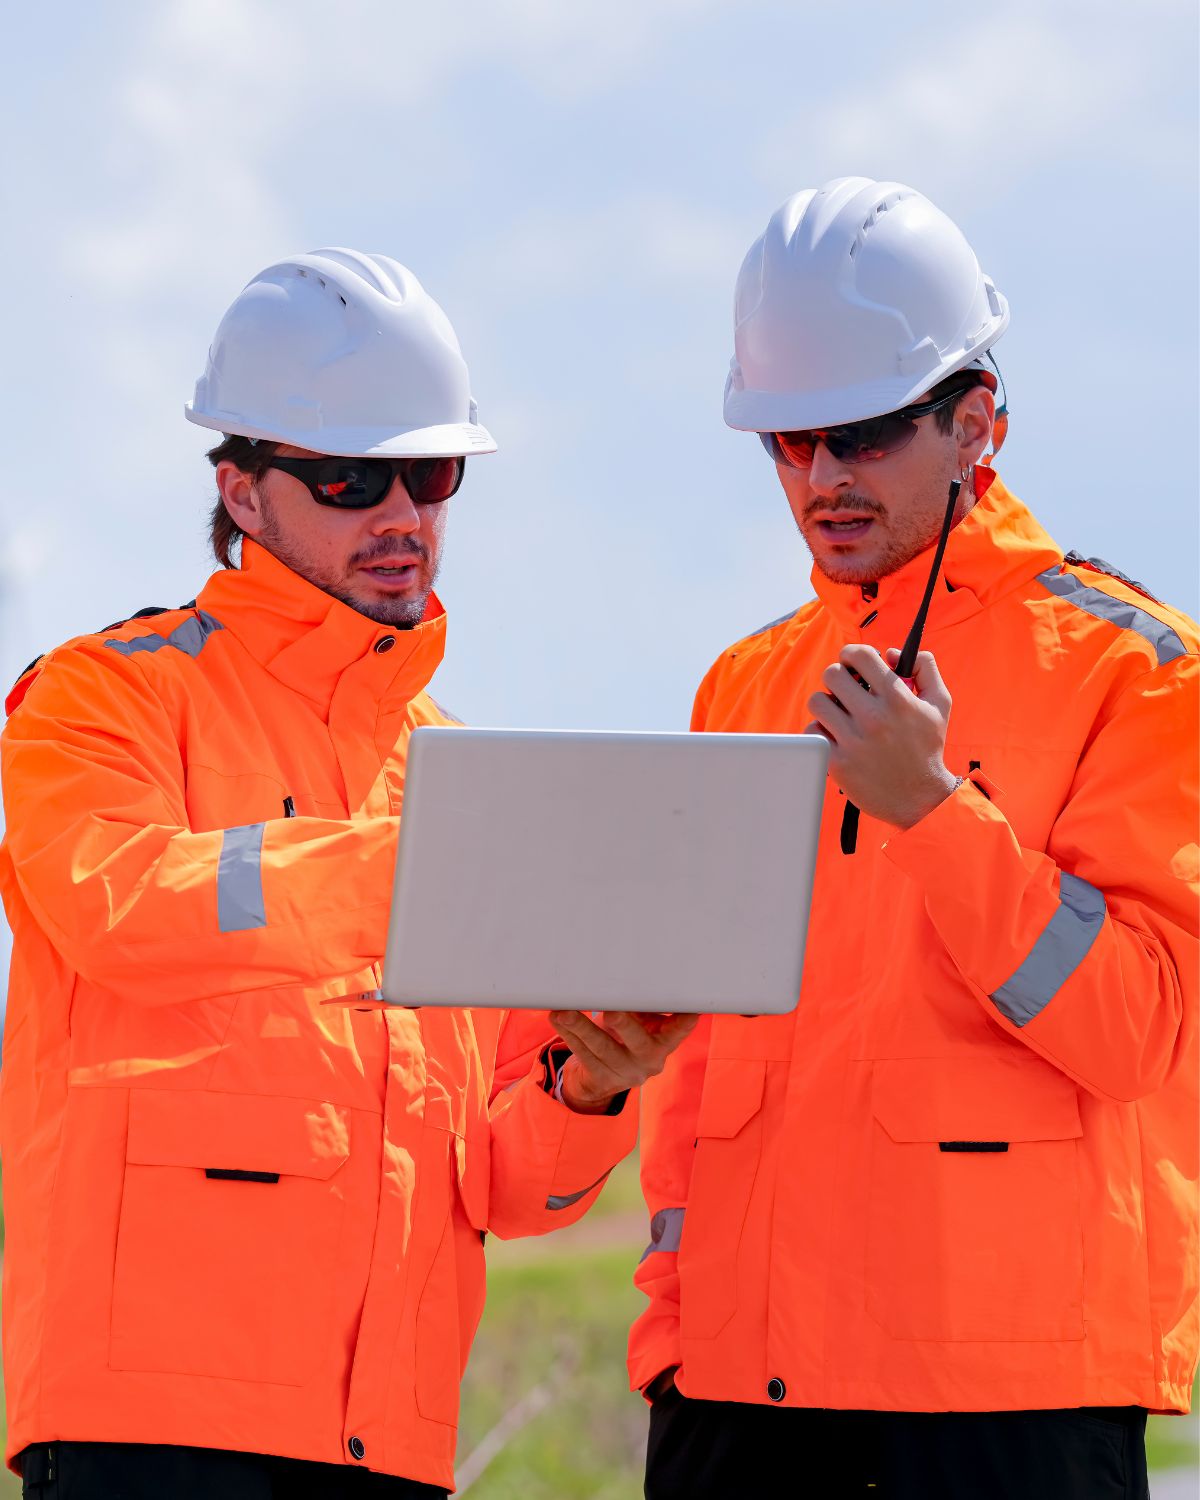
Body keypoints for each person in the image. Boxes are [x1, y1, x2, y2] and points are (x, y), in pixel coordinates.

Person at [0, 248, 695, 1499]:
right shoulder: (101, 697)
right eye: (347, 478)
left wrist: (592, 1086)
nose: (399, 516)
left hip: (390, 1436)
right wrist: (412, 863)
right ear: (245, 493)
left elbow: (507, 1185)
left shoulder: (460, 781)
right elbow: (124, 907)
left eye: (428, 475)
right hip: (150, 1426)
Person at [630, 178, 1197, 1500]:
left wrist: (936, 815)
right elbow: (698, 1064)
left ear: (975, 424)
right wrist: (673, 1327)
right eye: (786, 440)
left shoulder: (1136, 669)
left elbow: (1139, 1030)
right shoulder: (744, 686)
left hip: (1009, 1401)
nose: (823, 477)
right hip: (740, 1395)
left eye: (866, 434)